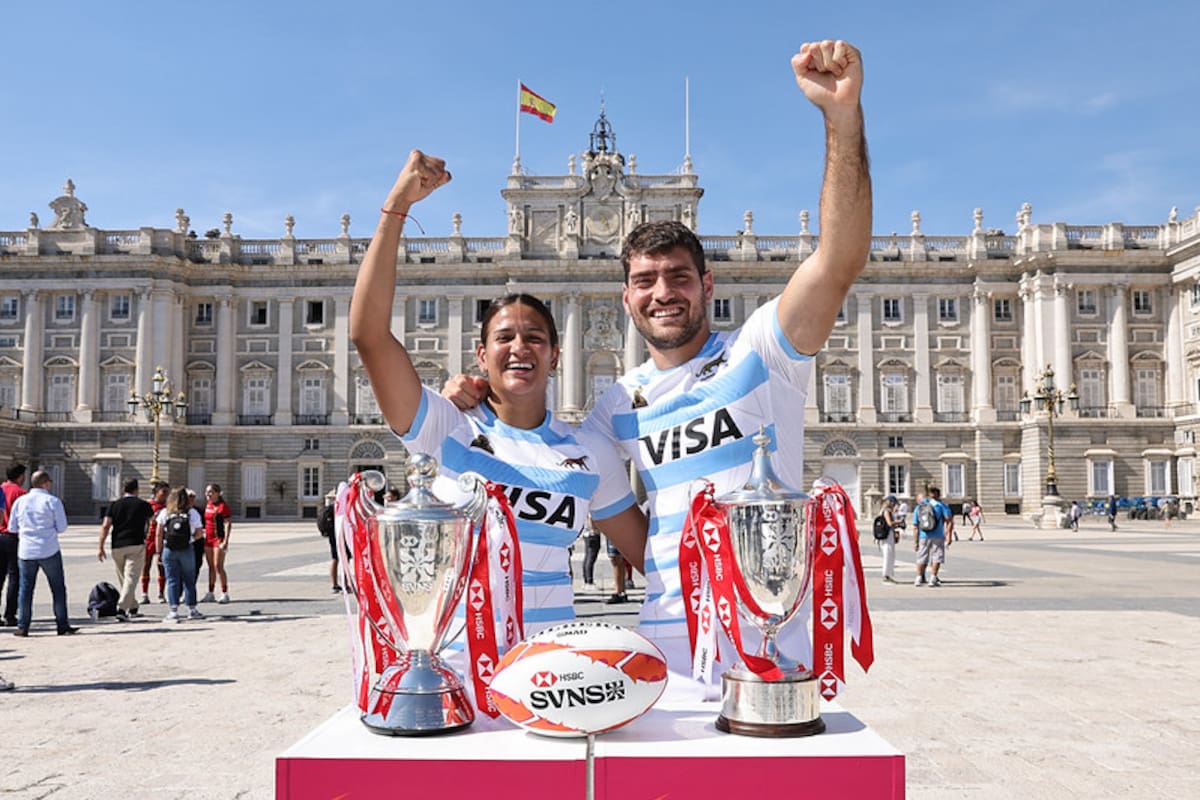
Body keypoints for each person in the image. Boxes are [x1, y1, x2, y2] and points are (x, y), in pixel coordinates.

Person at [446, 40, 870, 678]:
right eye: (645, 281)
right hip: (669, 644)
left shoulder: (760, 354)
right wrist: (476, 405)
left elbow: (837, 261)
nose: (663, 293)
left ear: (708, 284)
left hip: (773, 637)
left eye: (678, 276)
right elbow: (539, 450)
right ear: (627, 297)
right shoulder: (617, 407)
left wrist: (842, 119)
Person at [347, 148, 647, 648]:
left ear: (555, 356)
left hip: (548, 666)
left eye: (535, 337)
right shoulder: (446, 428)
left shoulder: (591, 454)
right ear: (481, 355)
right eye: (504, 338)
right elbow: (369, 335)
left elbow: (651, 562)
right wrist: (397, 209)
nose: (520, 348)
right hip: (457, 661)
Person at [10, 470, 77, 636]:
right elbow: (62, 527)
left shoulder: (20, 501)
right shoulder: (53, 501)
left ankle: (23, 626)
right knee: (57, 588)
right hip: (49, 549)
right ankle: (62, 625)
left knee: (25, 589)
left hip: (26, 551)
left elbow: (12, 527)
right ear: (46, 483)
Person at [97, 478, 155, 620]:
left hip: (117, 545)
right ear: (137, 489)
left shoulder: (115, 505)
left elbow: (105, 525)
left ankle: (133, 606)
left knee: (124, 578)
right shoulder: (143, 505)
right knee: (130, 578)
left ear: (124, 489)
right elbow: (153, 521)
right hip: (136, 544)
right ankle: (122, 608)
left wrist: (101, 546)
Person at [154, 487, 205, 622]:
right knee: (189, 579)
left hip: (169, 549)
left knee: (172, 580)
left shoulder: (165, 512)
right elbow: (199, 533)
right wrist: (190, 539)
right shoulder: (192, 513)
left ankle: (173, 611)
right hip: (186, 549)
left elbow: (158, 533)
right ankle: (192, 609)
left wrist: (158, 552)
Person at [0, 463, 27, 627]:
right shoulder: (21, 493)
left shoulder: (0, 489)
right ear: (20, 476)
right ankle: (10, 615)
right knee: (14, 577)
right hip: (12, 537)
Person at [912, 486, 953, 587]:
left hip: (923, 535)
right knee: (937, 556)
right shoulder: (941, 506)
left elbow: (915, 526)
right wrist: (948, 535)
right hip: (938, 535)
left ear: (929, 495)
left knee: (921, 556)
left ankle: (918, 577)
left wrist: (915, 542)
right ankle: (933, 578)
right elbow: (949, 520)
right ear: (938, 495)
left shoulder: (920, 507)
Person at [201, 484, 232, 603]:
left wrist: (225, 541)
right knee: (210, 567)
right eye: (207, 492)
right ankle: (210, 592)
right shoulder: (208, 505)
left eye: (211, 492)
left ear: (217, 493)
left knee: (218, 566)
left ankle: (224, 593)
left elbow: (228, 524)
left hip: (218, 539)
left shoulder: (223, 506)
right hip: (208, 539)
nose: (208, 494)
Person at [140, 481, 169, 604]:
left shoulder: (168, 506)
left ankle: (161, 593)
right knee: (146, 566)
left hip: (163, 540)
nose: (166, 494)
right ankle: (144, 593)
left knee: (162, 566)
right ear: (157, 492)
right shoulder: (148, 505)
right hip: (148, 539)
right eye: (164, 492)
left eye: (167, 492)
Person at [317, 495, 340, 593]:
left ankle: (335, 584)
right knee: (343, 560)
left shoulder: (332, 507)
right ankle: (345, 584)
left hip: (332, 535)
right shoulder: (340, 508)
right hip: (339, 535)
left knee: (335, 559)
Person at [879, 495, 902, 583]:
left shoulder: (884, 510)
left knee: (890, 554)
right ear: (891, 502)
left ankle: (888, 575)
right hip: (887, 535)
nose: (895, 505)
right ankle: (886, 575)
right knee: (888, 555)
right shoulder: (887, 511)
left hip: (887, 535)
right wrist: (898, 522)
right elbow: (889, 523)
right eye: (894, 503)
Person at [580, 517, 601, 587]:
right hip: (591, 534)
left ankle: (587, 579)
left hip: (587, 533)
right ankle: (589, 580)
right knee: (590, 558)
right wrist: (594, 529)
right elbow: (591, 517)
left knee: (588, 557)